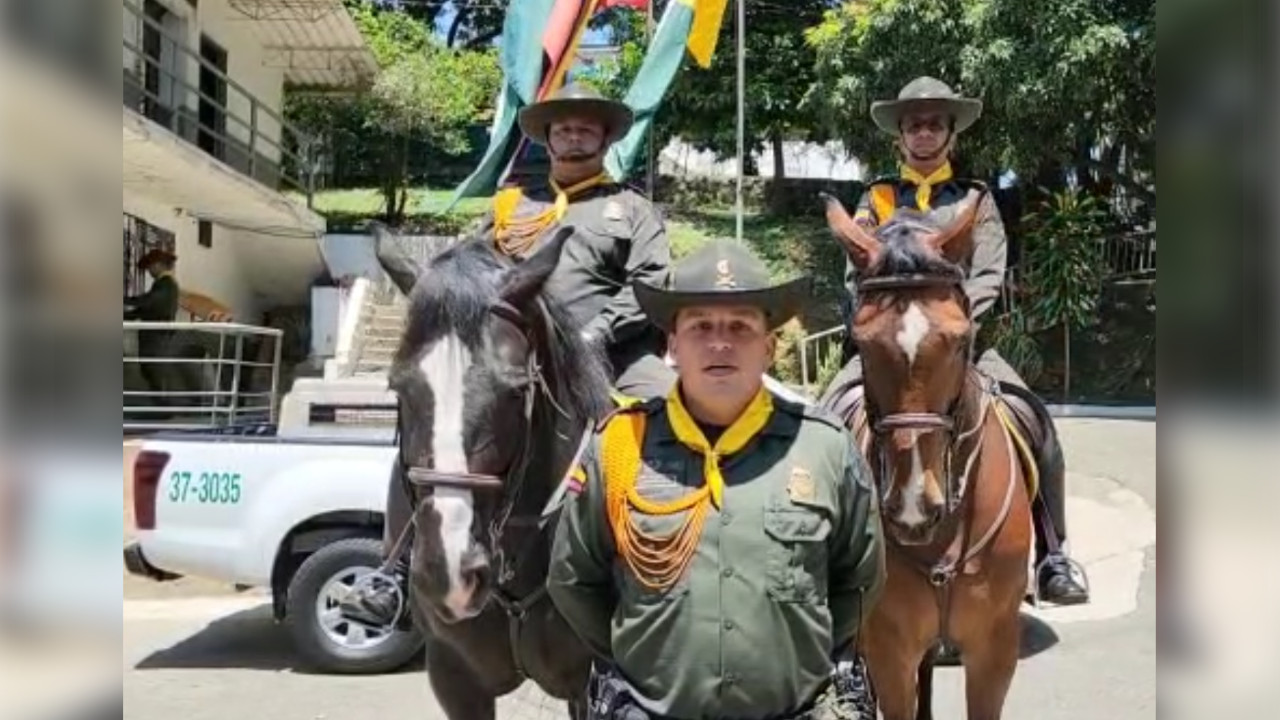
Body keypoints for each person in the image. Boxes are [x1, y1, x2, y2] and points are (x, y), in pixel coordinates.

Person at [341, 83, 677, 629]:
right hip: (511, 352)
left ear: (605, 136)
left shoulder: (630, 209)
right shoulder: (510, 207)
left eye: (585, 125)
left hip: (610, 354)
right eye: (562, 126)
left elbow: (652, 281)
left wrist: (594, 334)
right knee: (427, 433)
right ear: (547, 138)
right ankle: (395, 572)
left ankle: (670, 570)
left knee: (673, 414)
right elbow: (464, 269)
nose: (573, 133)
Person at [548, 239, 885, 720]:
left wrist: (802, 656)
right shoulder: (618, 447)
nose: (720, 341)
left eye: (740, 326)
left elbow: (860, 579)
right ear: (672, 345)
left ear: (769, 347)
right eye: (700, 325)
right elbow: (573, 578)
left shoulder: (825, 447)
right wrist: (637, 654)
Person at [817, 76, 1090, 608]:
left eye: (934, 123)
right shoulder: (875, 199)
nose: (924, 132)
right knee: (826, 417)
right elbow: (858, 270)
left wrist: (956, 327)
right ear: (900, 136)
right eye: (914, 124)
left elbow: (989, 271)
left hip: (962, 341)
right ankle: (823, 552)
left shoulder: (976, 200)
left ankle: (1053, 553)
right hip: (890, 346)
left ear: (950, 135)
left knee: (1033, 419)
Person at [124, 248, 180, 407]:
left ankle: (163, 409)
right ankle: (161, 408)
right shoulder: (164, 285)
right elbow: (145, 308)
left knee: (154, 370)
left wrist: (128, 301)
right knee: (150, 369)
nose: (149, 270)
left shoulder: (166, 284)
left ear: (160, 265)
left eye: (150, 266)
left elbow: (148, 303)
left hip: (156, 337)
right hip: (155, 336)